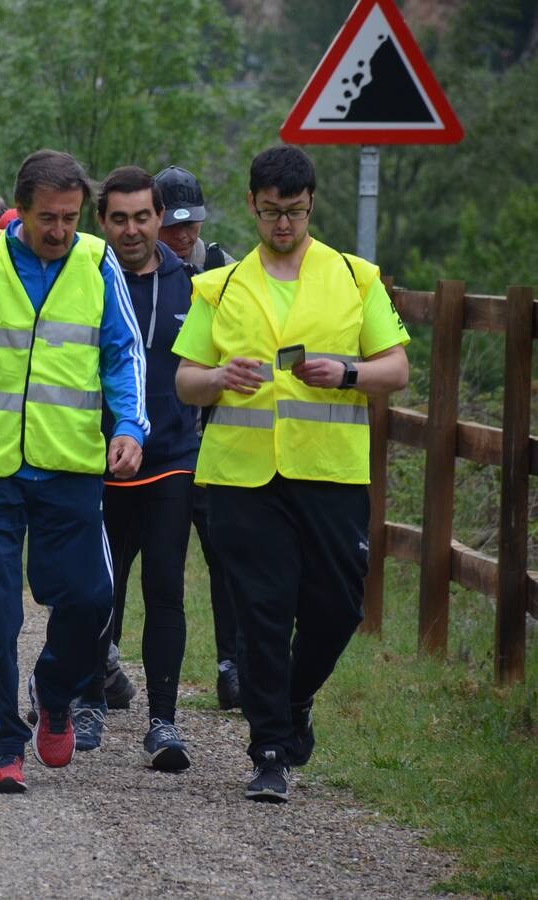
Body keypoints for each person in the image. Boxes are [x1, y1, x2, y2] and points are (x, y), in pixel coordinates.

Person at [174, 145, 409, 803]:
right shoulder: (218, 286)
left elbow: (396, 368)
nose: (283, 225)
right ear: (252, 204)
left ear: (312, 203)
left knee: (339, 607)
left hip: (330, 472)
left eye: (295, 213)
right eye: (272, 212)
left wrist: (348, 372)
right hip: (242, 478)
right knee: (263, 610)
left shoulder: (354, 277)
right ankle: (269, 751)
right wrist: (219, 378)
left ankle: (296, 696)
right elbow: (186, 381)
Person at [0, 149, 148, 793]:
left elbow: (123, 355)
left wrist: (130, 426)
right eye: (48, 218)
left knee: (93, 597)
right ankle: (3, 744)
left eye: (71, 218)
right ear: (22, 212)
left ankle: (53, 691)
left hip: (70, 464)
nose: (60, 230)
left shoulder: (98, 263)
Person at [72, 167, 197, 769]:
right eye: (117, 219)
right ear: (102, 222)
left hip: (172, 460)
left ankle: (164, 723)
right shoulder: (83, 280)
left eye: (141, 217)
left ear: (159, 216)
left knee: (165, 590)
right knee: (100, 592)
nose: (130, 229)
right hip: (96, 460)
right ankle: (89, 702)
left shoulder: (190, 286)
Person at [155, 165, 242, 711]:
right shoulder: (135, 271)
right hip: (156, 442)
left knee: (226, 558)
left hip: (213, 443)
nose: (184, 236)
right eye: (174, 226)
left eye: (192, 225)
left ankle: (232, 666)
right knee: (142, 560)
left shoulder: (224, 270)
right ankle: (106, 663)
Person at [154, 166, 234, 273]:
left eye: (188, 224)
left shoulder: (223, 268)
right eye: (171, 225)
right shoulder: (129, 270)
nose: (181, 235)